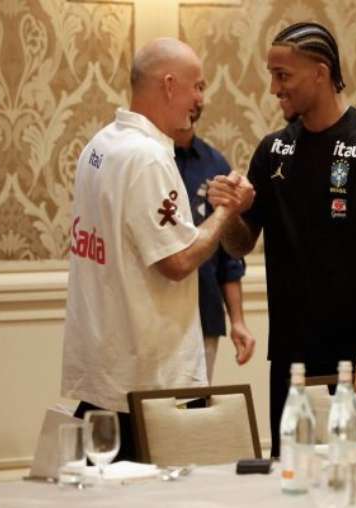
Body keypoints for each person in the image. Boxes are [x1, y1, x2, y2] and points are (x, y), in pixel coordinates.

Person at [208, 22, 356, 457]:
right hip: (291, 361)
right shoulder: (273, 151)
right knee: (291, 476)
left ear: (320, 73)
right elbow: (240, 244)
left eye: (283, 75)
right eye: (272, 75)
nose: (274, 88)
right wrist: (229, 211)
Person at [61, 37, 255, 460]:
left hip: (107, 367)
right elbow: (178, 260)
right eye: (197, 86)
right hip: (149, 380)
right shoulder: (147, 158)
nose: (201, 99)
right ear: (169, 85)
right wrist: (226, 210)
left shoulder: (100, 145)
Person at [172, 105, 256, 383]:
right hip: (158, 314)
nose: (195, 99)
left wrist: (238, 321)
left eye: (201, 88)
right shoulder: (151, 160)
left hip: (205, 312)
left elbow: (229, 258)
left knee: (199, 401)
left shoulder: (215, 165)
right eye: (191, 88)